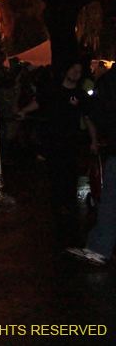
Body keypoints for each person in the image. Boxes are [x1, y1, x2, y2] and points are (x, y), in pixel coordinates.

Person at [17, 61, 98, 245]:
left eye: (79, 71)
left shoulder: (80, 95)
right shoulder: (54, 90)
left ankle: (69, 212)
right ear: (66, 70)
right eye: (73, 69)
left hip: (71, 143)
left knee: (70, 176)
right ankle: (58, 209)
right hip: (54, 142)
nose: (76, 73)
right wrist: (23, 111)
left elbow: (88, 118)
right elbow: (38, 102)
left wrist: (93, 140)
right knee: (55, 175)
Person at [66, 68, 116, 265]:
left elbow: (99, 112)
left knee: (111, 201)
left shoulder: (110, 81)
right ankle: (100, 246)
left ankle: (100, 247)